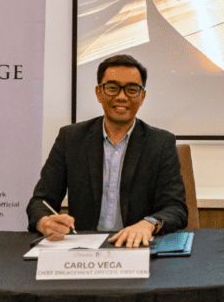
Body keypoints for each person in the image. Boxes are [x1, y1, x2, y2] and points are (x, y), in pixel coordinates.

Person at [27, 54, 187, 247]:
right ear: (99, 92)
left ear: (142, 96)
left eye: (131, 89)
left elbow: (176, 208)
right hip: (83, 249)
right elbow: (40, 201)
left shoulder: (161, 143)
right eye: (112, 88)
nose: (121, 96)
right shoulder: (71, 138)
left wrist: (148, 224)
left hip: (137, 246)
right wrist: (45, 222)